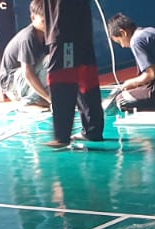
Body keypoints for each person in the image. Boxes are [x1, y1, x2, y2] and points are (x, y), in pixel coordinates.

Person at [44, 0, 105, 148]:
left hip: (66, 31)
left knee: (62, 79)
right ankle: (92, 130)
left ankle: (62, 136)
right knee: (86, 78)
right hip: (81, 31)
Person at [0, 0, 50, 107]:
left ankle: (38, 98)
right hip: (12, 86)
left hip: (24, 82)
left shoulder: (46, 35)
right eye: (44, 21)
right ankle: (30, 101)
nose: (48, 24)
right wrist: (49, 99)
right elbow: (28, 72)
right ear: (33, 18)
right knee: (49, 60)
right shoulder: (28, 37)